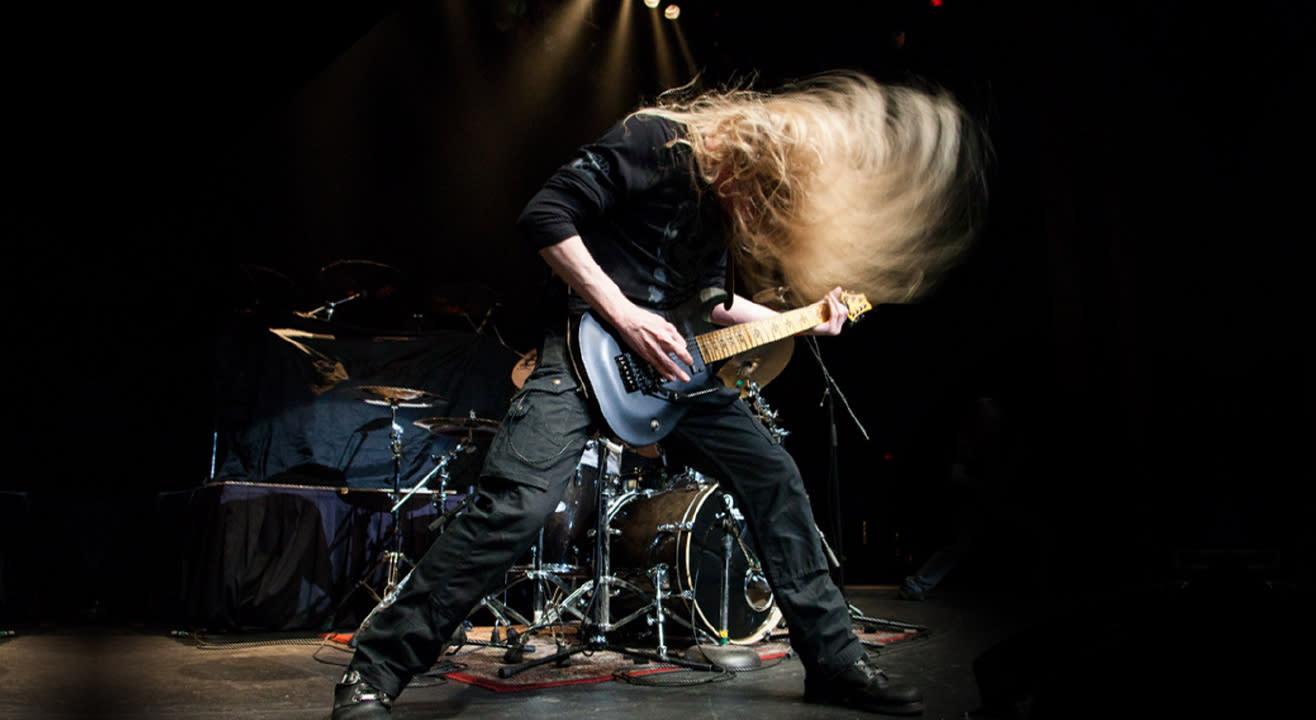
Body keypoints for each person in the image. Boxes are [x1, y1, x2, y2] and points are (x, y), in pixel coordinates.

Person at [331, 69, 989, 718]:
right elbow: (545, 213)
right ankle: (375, 669)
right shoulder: (654, 141)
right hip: (586, 348)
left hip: (674, 371)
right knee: (516, 508)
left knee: (776, 478)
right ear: (740, 153)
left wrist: (806, 316)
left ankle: (837, 662)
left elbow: (707, 300)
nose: (749, 213)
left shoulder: (720, 205)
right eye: (751, 195)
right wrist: (624, 313)